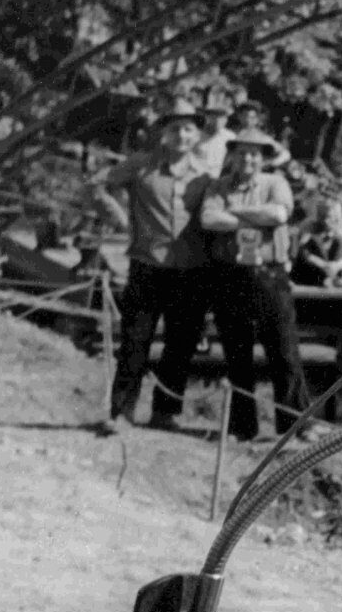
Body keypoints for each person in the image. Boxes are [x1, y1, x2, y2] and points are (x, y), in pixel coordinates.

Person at [95, 100, 211, 434]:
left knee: (180, 344)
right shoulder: (141, 166)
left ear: (197, 135)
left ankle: (165, 413)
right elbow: (96, 184)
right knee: (135, 340)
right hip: (147, 265)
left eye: (188, 128)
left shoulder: (206, 175)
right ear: (162, 132)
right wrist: (118, 218)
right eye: (174, 128)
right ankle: (120, 411)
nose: (181, 135)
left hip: (190, 270)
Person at [193, 127, 308, 441]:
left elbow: (279, 214)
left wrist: (234, 213)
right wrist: (252, 217)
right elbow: (208, 220)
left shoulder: (275, 182)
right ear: (233, 155)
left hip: (269, 274)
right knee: (237, 353)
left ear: (264, 158)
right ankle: (243, 427)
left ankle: (295, 427)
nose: (248, 159)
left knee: (283, 351)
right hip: (229, 275)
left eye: (255, 153)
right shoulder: (218, 186)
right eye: (242, 152)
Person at [292, 200, 342, 291]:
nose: (326, 221)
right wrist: (325, 265)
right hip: (311, 274)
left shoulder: (341, 234)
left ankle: (331, 278)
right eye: (323, 217)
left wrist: (336, 266)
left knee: (340, 242)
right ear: (318, 216)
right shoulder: (309, 229)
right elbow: (304, 253)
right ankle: (330, 278)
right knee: (315, 241)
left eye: (330, 217)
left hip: (333, 272)